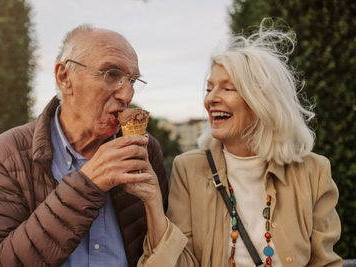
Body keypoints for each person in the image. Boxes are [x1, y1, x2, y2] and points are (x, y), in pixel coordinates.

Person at [137, 21, 342, 266]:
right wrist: (152, 202)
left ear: (261, 102)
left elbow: (325, 262)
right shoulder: (188, 169)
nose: (211, 99)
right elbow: (181, 262)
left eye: (227, 89)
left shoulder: (314, 171)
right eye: (209, 88)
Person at [0, 24, 168, 267]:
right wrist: (87, 185)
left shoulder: (146, 150)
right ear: (64, 77)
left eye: (133, 80)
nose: (127, 94)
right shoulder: (8, 153)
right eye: (111, 74)